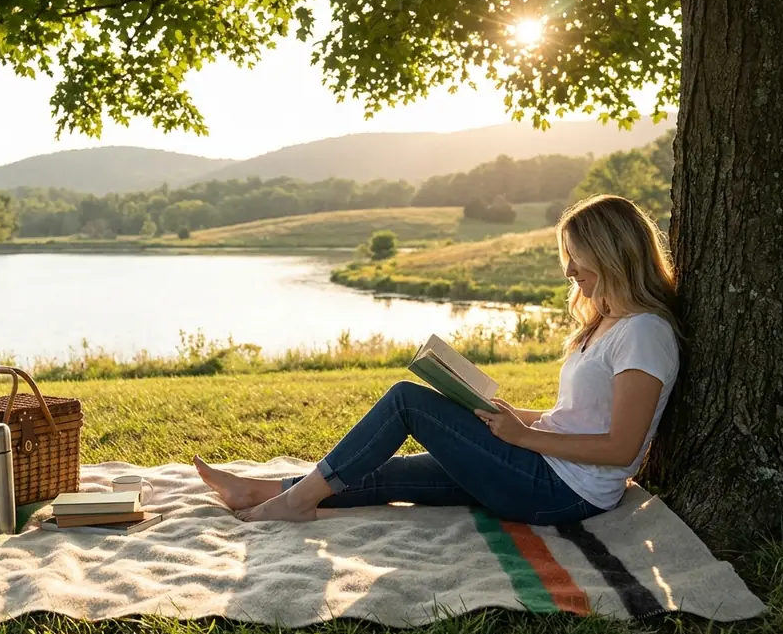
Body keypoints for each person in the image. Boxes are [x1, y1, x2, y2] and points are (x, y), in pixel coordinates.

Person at [195, 194, 681, 526]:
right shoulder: (606, 323)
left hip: (564, 492)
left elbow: (622, 449)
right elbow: (578, 419)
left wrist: (527, 437)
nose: (569, 270)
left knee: (408, 401)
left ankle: (297, 502)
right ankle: (261, 491)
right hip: (541, 467)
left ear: (613, 253)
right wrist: (510, 419)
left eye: (577, 257)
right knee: (391, 472)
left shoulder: (644, 332)